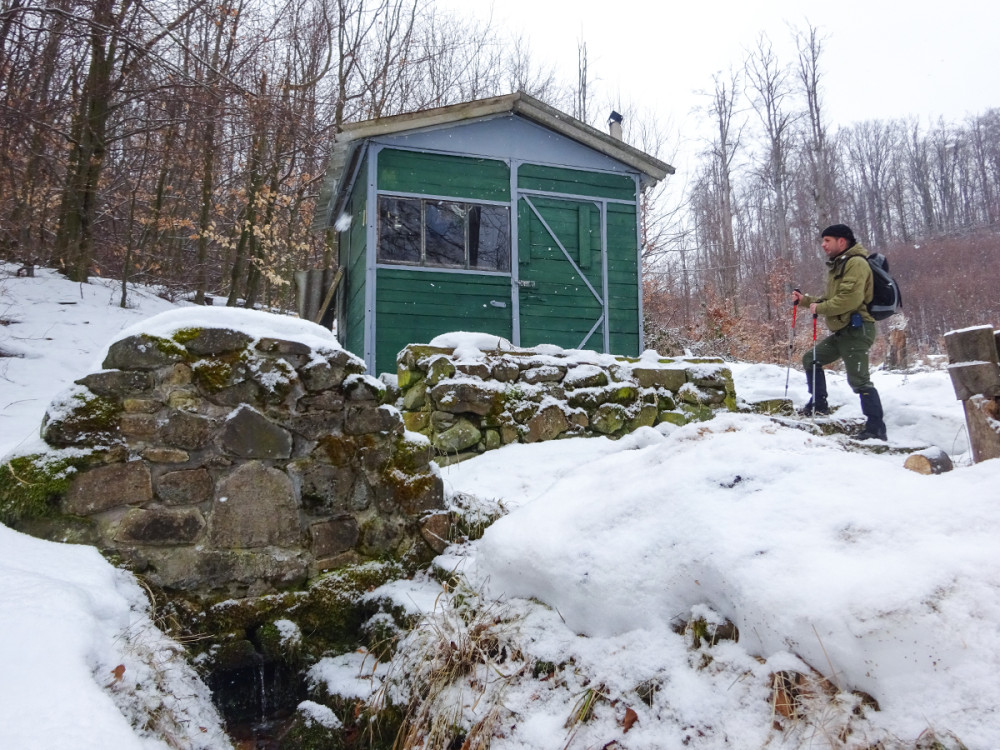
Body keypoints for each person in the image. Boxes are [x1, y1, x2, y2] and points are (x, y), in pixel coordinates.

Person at [792, 224, 887, 441]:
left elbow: (849, 300)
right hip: (844, 331)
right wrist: (805, 301)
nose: (823, 245)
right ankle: (819, 405)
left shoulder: (856, 264)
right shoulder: (840, 265)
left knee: (859, 380)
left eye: (827, 240)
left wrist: (821, 308)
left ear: (841, 242)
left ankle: (876, 428)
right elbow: (829, 299)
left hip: (857, 330)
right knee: (811, 359)